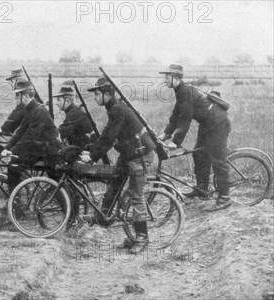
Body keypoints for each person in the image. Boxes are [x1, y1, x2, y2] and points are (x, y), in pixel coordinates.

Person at [79, 77, 156, 254]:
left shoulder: (117, 110)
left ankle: (142, 238)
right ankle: (102, 217)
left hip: (139, 155)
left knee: (136, 195)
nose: (95, 98)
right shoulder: (114, 108)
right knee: (114, 183)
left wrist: (92, 156)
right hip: (129, 153)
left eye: (97, 94)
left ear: (107, 94)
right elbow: (106, 134)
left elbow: (108, 138)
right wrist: (92, 151)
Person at [157, 64, 232, 211]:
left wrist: (175, 142)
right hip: (207, 124)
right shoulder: (181, 91)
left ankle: (224, 198)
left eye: (167, 77)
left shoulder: (186, 92)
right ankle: (202, 189)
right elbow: (176, 115)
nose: (165, 80)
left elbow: (185, 119)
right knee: (199, 154)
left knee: (218, 161)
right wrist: (166, 134)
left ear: (176, 78)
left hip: (217, 123)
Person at [2, 81, 63, 193]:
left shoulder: (39, 111)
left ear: (26, 96)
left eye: (17, 95)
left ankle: (15, 203)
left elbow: (29, 137)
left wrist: (12, 152)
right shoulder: (31, 110)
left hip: (51, 153)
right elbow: (20, 132)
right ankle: (15, 202)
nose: (15, 98)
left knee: (58, 188)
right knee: (57, 188)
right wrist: (6, 148)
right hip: (44, 150)